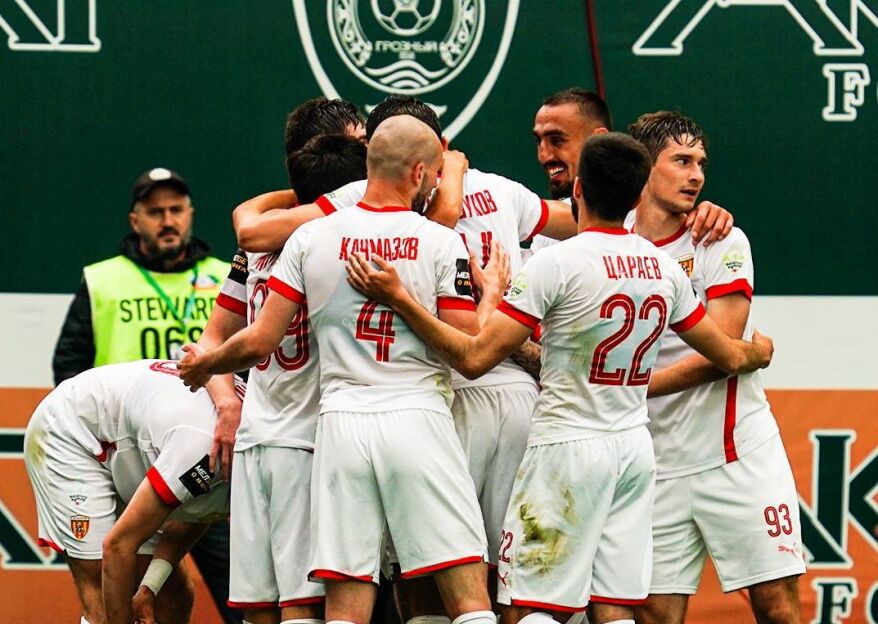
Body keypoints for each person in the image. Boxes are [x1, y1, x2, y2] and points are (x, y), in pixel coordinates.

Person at [343, 132, 775, 624]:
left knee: (528, 607)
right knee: (613, 604)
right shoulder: (664, 268)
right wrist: (758, 352)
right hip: (633, 451)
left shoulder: (554, 263)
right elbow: (728, 353)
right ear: (637, 196)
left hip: (566, 450)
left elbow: (475, 359)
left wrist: (401, 299)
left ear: (579, 189)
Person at [178, 115, 500, 624]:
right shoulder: (440, 241)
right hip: (417, 419)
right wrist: (489, 295)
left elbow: (260, 339)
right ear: (420, 173)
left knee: (345, 607)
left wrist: (206, 364)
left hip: (341, 428)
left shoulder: (311, 238)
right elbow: (468, 352)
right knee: (467, 596)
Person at [626, 112, 805, 624]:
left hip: (736, 455)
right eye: (682, 161)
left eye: (701, 163)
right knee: (656, 616)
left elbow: (722, 350)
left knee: (778, 609)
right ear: (644, 167)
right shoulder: (612, 242)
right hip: (656, 462)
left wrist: (633, 388)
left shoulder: (721, 240)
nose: (697, 175)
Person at [50, 167, 240, 623]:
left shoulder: (225, 278)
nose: (167, 220)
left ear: (191, 214)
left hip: (205, 453)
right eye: (155, 212)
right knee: (131, 591)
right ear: (135, 220)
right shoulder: (104, 281)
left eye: (176, 210)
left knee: (240, 595)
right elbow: (69, 368)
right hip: (131, 461)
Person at [207, 132, 368, 624]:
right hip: (306, 440)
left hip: (256, 439)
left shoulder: (258, 251)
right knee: (301, 602)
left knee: (258, 603)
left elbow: (244, 218)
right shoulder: (330, 245)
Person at [23, 359, 235, 624]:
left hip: (140, 441)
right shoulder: (207, 453)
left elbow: (199, 512)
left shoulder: (250, 459)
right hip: (70, 431)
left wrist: (149, 587)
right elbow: (118, 546)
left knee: (170, 594)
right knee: (106, 591)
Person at [528, 88, 731, 256]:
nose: (543, 156)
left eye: (557, 140)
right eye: (538, 141)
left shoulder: (641, 210)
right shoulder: (546, 237)